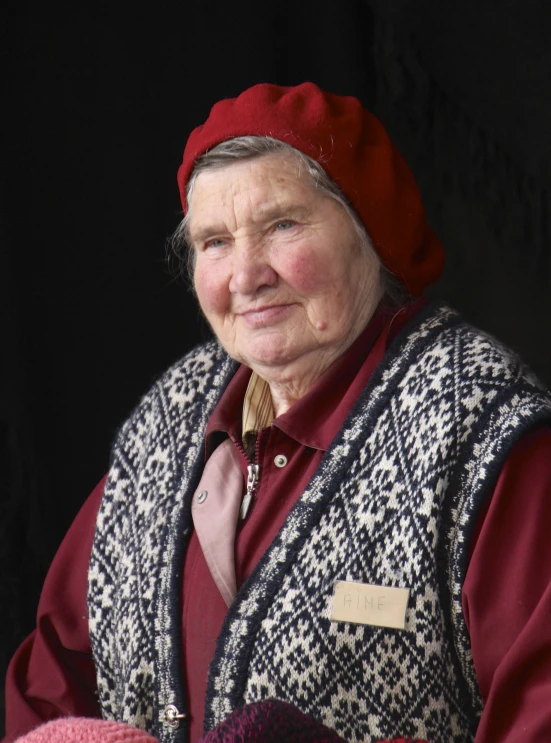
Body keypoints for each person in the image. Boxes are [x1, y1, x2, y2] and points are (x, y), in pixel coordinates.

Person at [3, 82, 551, 743]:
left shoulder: (486, 438)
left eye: (281, 225)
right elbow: (49, 683)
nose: (244, 275)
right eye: (213, 242)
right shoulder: (166, 431)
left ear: (369, 233)